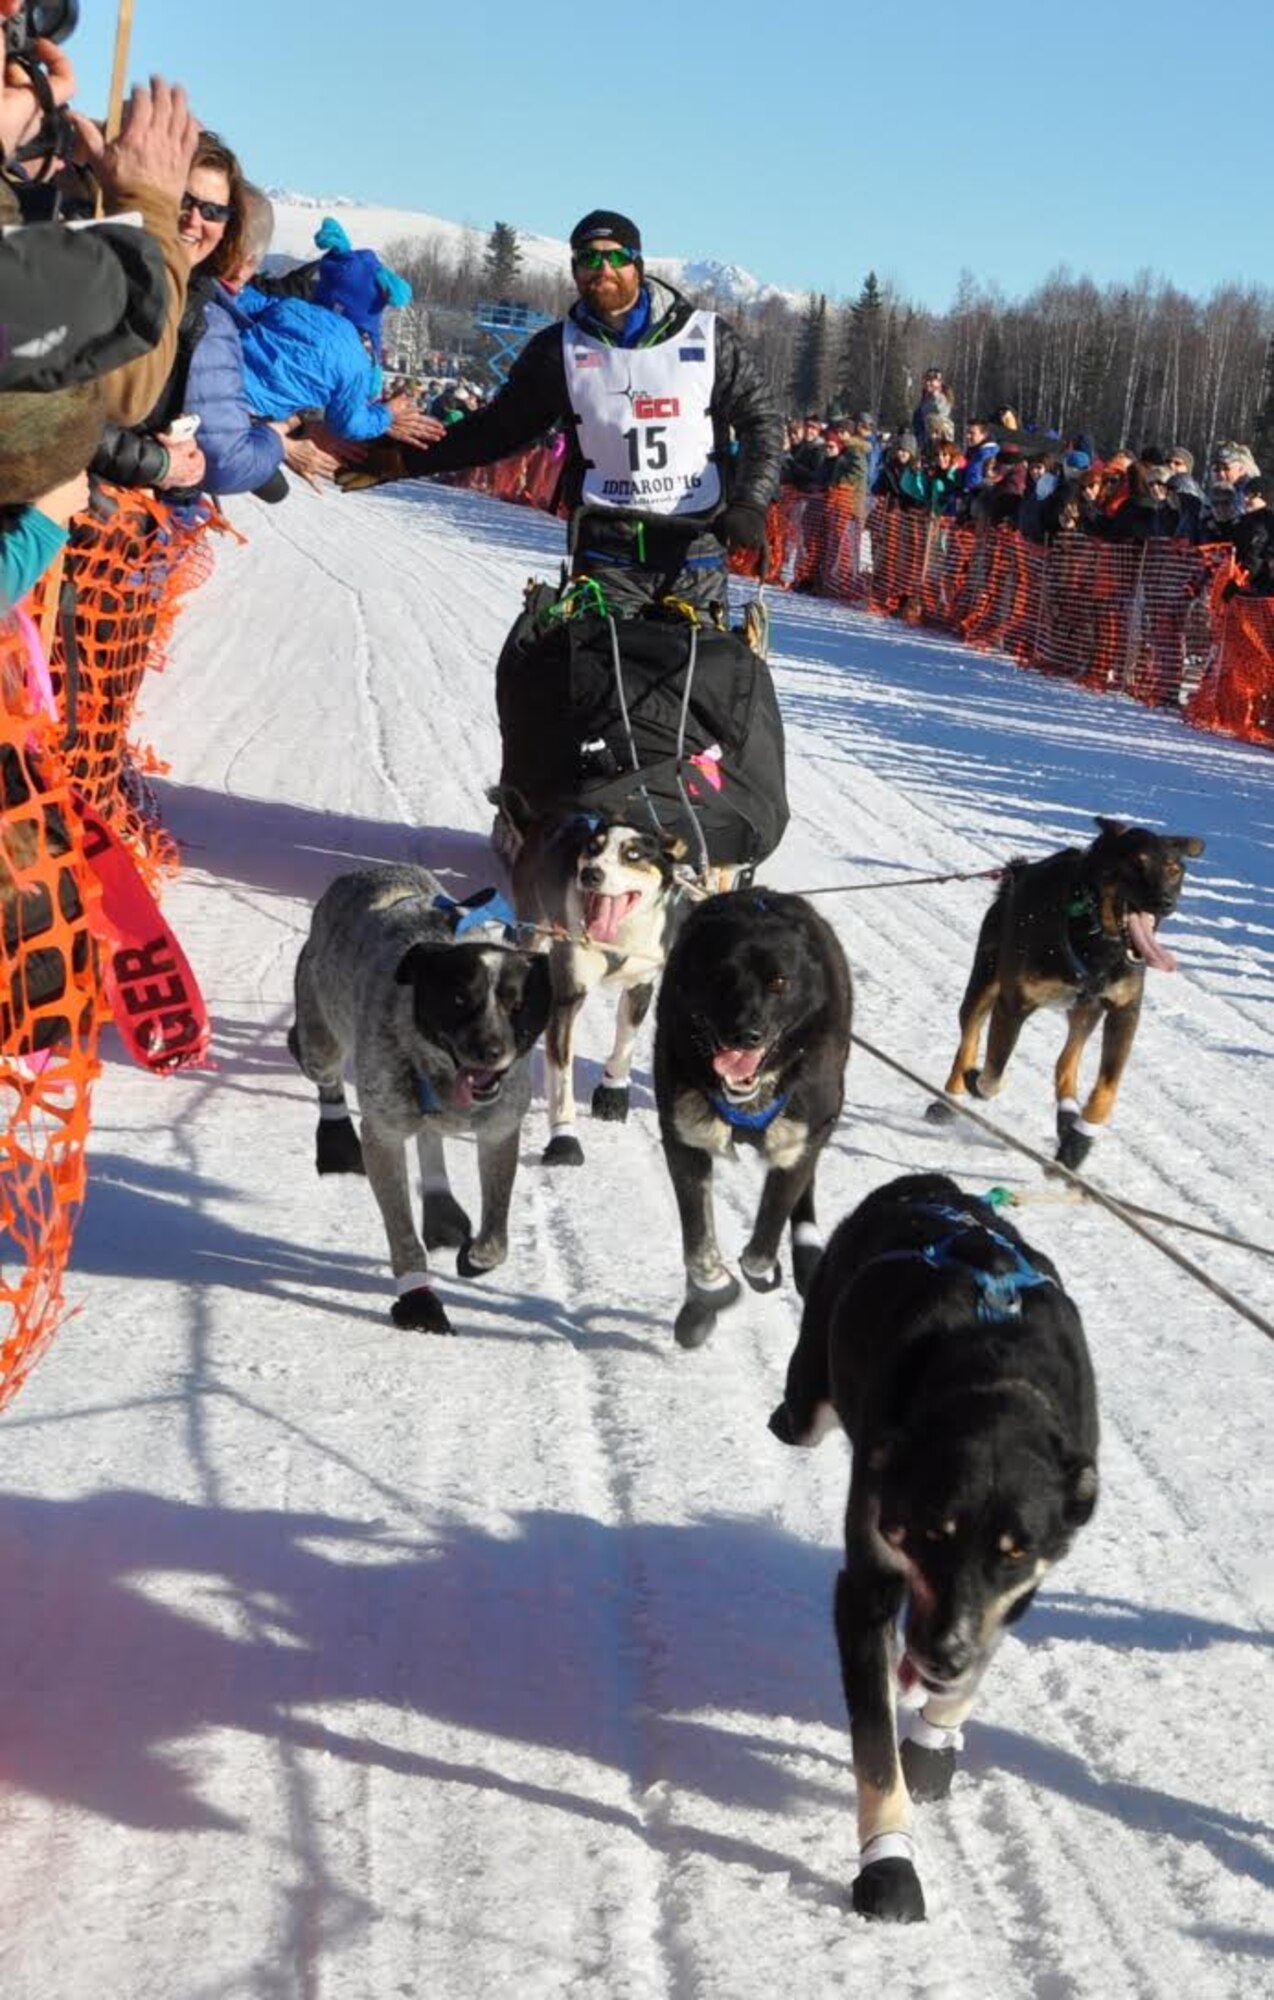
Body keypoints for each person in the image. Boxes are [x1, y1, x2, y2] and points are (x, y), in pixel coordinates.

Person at [339, 207, 784, 615]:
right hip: (606, 550)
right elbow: (497, 430)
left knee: (701, 687)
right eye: (588, 259)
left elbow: (762, 419)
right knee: (593, 688)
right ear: (574, 270)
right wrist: (400, 460)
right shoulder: (559, 349)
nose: (603, 269)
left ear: (639, 265)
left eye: (616, 257)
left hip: (694, 550)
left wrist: (750, 503)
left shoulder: (707, 338)